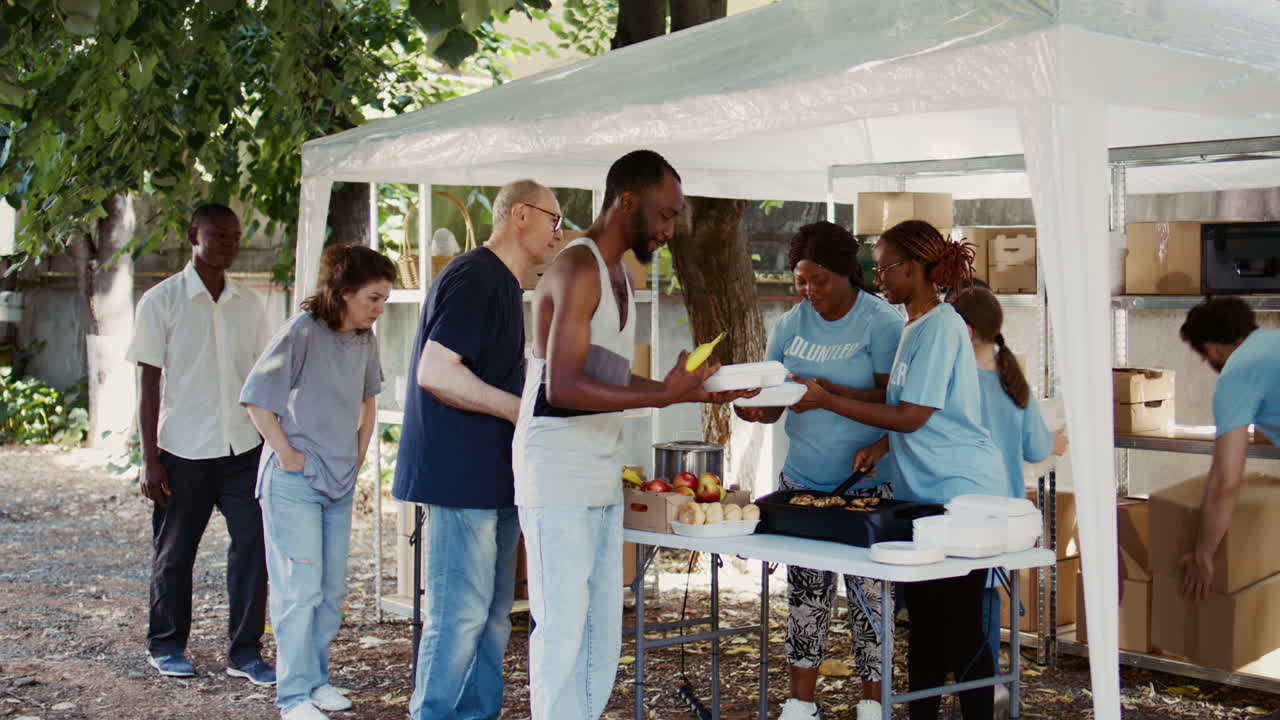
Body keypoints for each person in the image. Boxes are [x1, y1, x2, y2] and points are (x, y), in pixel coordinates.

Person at [513, 149, 751, 720]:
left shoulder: (618, 273)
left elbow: (608, 375)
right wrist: (664, 395)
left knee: (602, 628)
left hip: (598, 472)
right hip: (557, 475)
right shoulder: (578, 267)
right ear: (625, 201)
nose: (670, 230)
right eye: (665, 215)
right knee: (563, 627)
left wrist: (688, 391)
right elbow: (563, 387)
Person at [791, 220, 1006, 720]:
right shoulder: (913, 325)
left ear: (914, 268)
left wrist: (827, 401)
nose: (877, 277)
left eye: (885, 268)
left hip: (960, 495)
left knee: (958, 626)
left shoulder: (943, 326)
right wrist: (878, 442)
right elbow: (912, 410)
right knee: (925, 624)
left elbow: (912, 415)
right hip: (924, 495)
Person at [392, 180, 563, 720]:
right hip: (461, 480)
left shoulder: (506, 285)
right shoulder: (475, 276)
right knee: (459, 616)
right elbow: (436, 371)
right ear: (519, 215)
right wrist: (519, 410)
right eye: (554, 220)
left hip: (496, 480)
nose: (559, 234)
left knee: (491, 617)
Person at [736, 221, 904, 720]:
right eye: (801, 281)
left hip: (868, 486)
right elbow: (774, 400)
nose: (809, 291)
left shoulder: (881, 321)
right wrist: (755, 408)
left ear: (848, 272)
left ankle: (873, 703)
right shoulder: (790, 325)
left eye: (820, 280)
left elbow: (893, 398)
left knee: (871, 601)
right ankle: (800, 702)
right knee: (806, 599)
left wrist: (828, 394)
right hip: (802, 483)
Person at [240, 244, 393, 720]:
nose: (379, 308)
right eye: (372, 298)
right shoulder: (301, 331)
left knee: (330, 592)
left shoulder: (365, 339)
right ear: (344, 292)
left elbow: (368, 399)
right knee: (298, 590)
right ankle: (292, 697)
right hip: (294, 483)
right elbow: (256, 399)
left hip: (339, 481)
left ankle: (316, 681)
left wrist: (360, 450)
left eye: (385, 299)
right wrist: (288, 455)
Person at [125, 203, 275, 686]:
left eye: (235, 236)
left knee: (253, 546)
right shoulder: (161, 300)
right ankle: (166, 645)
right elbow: (148, 385)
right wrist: (149, 459)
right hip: (182, 450)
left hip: (243, 449)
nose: (229, 244)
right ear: (194, 235)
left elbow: (262, 378)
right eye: (218, 235)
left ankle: (245, 653)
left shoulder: (249, 304)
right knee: (174, 553)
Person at [952, 285, 1067, 716]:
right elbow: (1037, 447)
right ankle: (993, 687)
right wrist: (1055, 441)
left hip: (960, 511)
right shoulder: (1012, 379)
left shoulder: (955, 382)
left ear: (965, 330)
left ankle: (983, 691)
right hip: (1007, 520)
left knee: (959, 608)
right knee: (986, 604)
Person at [1178, 297, 1280, 601]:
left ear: (1211, 349)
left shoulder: (1237, 374)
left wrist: (1203, 554)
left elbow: (1225, 482)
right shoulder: (1272, 344)